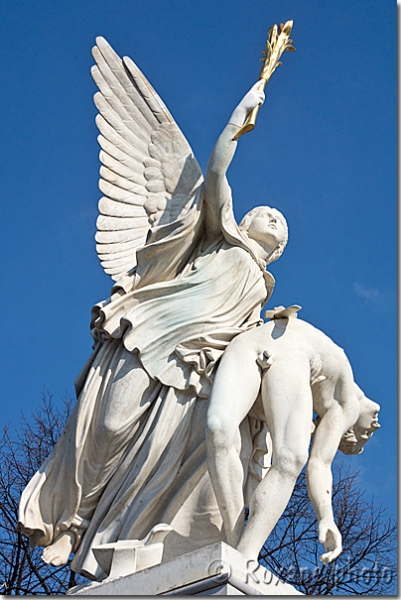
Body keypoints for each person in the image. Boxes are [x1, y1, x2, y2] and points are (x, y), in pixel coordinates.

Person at [17, 48, 288, 581]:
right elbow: (215, 167)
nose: (275, 216)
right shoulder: (220, 234)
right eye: (268, 211)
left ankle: (129, 539)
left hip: (193, 370)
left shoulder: (263, 293)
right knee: (109, 425)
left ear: (278, 249)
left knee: (163, 465)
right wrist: (244, 112)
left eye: (281, 222)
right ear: (246, 218)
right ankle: (70, 518)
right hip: (152, 331)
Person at [206, 306, 380, 564]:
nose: (375, 422)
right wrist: (325, 517)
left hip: (274, 348)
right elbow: (319, 462)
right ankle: (240, 550)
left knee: (279, 455)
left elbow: (319, 464)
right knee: (220, 431)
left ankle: (241, 553)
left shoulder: (346, 406)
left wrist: (326, 517)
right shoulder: (348, 396)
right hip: (264, 344)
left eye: (365, 432)